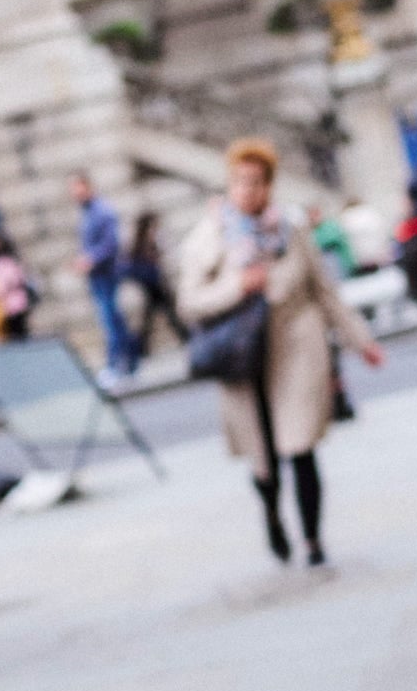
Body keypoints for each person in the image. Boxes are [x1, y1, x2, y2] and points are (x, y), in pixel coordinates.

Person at [177, 136, 383, 568]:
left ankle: (312, 539)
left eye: (257, 182)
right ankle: (272, 515)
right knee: (264, 457)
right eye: (240, 181)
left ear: (270, 185)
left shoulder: (293, 230)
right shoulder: (208, 237)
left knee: (302, 445)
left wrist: (361, 341)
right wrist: (238, 286)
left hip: (295, 351)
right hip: (243, 358)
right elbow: (189, 302)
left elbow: (324, 292)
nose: (248, 190)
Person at [70, 170, 138, 384]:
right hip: (97, 276)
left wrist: (91, 259)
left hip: (107, 274)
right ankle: (130, 364)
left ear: (88, 186)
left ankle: (114, 366)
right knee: (114, 320)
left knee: (110, 320)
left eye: (77, 188)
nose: (74, 193)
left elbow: (111, 244)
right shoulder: (87, 212)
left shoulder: (102, 211)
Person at [125, 211, 188, 351]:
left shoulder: (152, 239)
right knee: (164, 314)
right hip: (150, 285)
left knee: (162, 315)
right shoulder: (140, 242)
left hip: (156, 283)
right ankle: (141, 347)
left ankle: (142, 347)